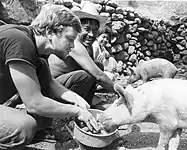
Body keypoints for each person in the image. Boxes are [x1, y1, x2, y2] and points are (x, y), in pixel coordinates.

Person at [0, 4, 100, 150]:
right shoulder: (19, 41)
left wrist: (76, 99)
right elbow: (34, 103)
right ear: (50, 32)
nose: (72, 46)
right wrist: (76, 111)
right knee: (23, 127)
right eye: (70, 39)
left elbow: (49, 84)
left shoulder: (40, 51)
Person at [48, 1, 115, 106]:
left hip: (66, 84)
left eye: (95, 30)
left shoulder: (88, 47)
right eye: (87, 29)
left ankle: (87, 105)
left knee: (98, 65)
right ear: (78, 29)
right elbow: (99, 76)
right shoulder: (74, 44)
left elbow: (96, 70)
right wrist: (121, 92)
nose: (91, 34)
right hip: (52, 87)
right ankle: (68, 110)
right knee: (84, 76)